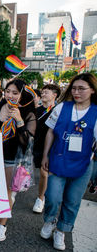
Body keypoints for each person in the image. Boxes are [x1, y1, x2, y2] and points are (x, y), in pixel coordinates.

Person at [40, 73, 97, 251]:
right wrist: (45, 156)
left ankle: (62, 230)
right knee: (53, 197)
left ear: (93, 90)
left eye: (82, 88)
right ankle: (50, 221)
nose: (76, 92)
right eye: (74, 88)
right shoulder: (62, 107)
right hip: (57, 161)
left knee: (72, 202)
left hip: (82, 165)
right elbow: (50, 132)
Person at [0, 79, 36, 242]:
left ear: (22, 95)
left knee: (6, 192)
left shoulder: (28, 112)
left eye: (15, 93)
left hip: (11, 159)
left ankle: (2, 225)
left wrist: (19, 120)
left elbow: (27, 142)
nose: (10, 95)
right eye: (8, 91)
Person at [32, 84, 60, 214]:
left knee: (44, 173)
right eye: (42, 92)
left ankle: (40, 198)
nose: (43, 94)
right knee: (24, 171)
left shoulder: (57, 110)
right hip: (34, 144)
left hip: (49, 146)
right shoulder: (36, 110)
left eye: (46, 92)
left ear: (54, 95)